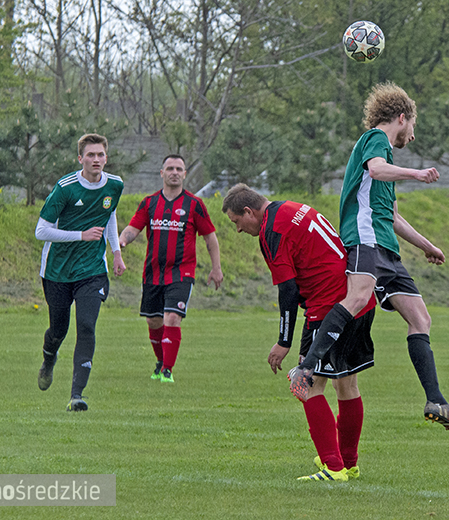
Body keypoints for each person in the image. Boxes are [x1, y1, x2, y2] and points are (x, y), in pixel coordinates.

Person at [289, 82, 449, 435]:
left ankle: (435, 400)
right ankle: (307, 367)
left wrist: (426, 246)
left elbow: (392, 215)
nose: (413, 136)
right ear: (401, 118)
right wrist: (417, 174)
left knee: (421, 317)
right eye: (413, 126)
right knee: (357, 297)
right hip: (365, 238)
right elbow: (374, 170)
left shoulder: (388, 159)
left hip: (387, 247)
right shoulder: (375, 139)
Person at [222, 183, 375, 482]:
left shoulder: (272, 232)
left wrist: (283, 342)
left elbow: (288, 290)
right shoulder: (292, 208)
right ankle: (348, 462)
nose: (238, 230)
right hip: (357, 298)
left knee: (306, 385)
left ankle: (333, 467)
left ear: (249, 212)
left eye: (237, 222)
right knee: (347, 386)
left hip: (328, 308)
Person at [35, 133, 125, 412]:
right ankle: (49, 358)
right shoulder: (66, 188)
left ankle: (77, 395)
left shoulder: (115, 185)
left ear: (106, 158)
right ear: (80, 159)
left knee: (86, 325)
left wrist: (116, 251)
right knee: (58, 329)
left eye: (100, 155)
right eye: (90, 155)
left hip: (92, 269)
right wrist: (80, 235)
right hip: (58, 270)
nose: (96, 160)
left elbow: (108, 214)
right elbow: (41, 230)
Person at [119, 154, 223, 383]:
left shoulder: (194, 204)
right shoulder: (149, 202)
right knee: (153, 321)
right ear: (162, 173)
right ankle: (159, 362)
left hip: (182, 273)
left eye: (179, 169)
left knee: (172, 318)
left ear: (184, 174)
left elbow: (210, 238)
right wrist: (122, 241)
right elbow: (133, 228)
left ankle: (167, 370)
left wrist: (216, 268)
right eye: (170, 168)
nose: (174, 172)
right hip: (153, 272)